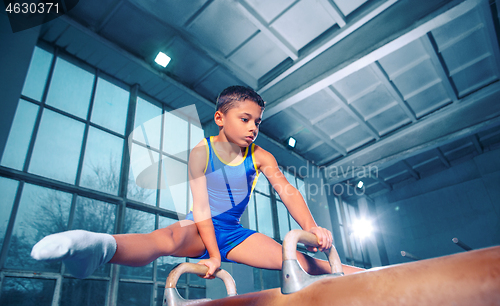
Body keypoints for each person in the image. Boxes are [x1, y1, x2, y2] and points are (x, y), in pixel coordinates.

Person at [31, 85, 363, 280]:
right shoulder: (200, 152)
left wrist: (312, 228)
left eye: (257, 122)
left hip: (236, 234)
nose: (253, 128)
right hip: (200, 227)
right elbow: (202, 208)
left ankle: (366, 275)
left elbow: (288, 192)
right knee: (166, 239)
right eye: (244, 119)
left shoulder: (261, 156)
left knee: (301, 262)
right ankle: (98, 247)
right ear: (220, 118)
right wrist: (214, 256)